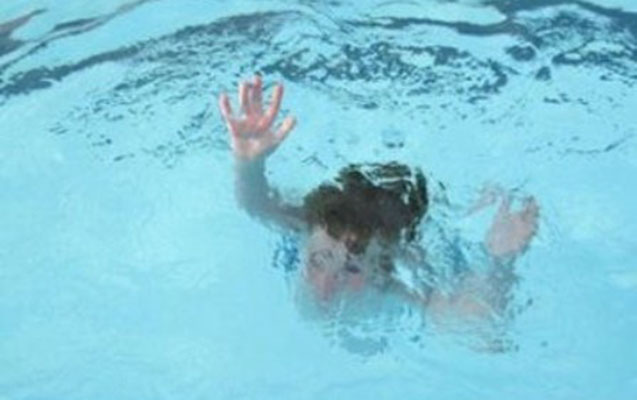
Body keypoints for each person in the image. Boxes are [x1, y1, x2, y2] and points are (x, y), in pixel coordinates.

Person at [218, 75, 539, 323]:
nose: (326, 287)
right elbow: (255, 204)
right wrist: (249, 163)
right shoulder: (311, 227)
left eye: (352, 270)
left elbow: (468, 326)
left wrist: (500, 260)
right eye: (318, 261)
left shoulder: (396, 271)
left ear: (380, 272)